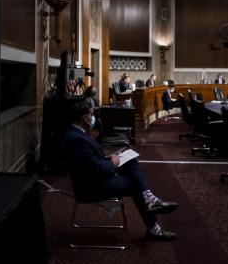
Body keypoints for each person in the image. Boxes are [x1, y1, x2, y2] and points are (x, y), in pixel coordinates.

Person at [62, 99, 178, 241]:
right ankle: (154, 225)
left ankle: (151, 204)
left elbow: (89, 163)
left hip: (95, 177)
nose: (93, 118)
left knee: (131, 162)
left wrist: (108, 159)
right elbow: (95, 169)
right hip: (93, 186)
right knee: (136, 185)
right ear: (84, 118)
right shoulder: (76, 139)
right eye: (91, 114)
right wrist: (111, 163)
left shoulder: (77, 132)